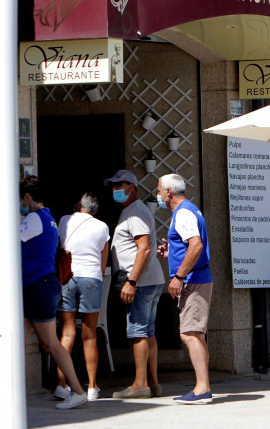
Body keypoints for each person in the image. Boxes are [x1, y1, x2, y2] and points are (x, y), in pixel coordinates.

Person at [19, 176, 87, 409]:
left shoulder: (34, 219)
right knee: (15, 341)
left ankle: (77, 391)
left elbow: (6, 241)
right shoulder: (47, 219)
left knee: (51, 343)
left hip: (38, 286)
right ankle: (4, 392)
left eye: (21, 198)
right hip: (39, 285)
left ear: (28, 197)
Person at [105, 169, 166, 400]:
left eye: (119, 185)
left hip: (141, 282)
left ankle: (140, 384)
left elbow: (144, 248)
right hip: (149, 280)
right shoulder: (132, 211)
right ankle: (153, 383)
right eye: (113, 186)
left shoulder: (136, 213)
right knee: (148, 332)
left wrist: (131, 281)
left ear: (132, 187)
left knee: (139, 332)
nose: (115, 190)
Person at [156, 173, 214, 404]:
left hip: (193, 280)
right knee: (196, 334)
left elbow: (196, 245)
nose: (158, 195)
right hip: (196, 277)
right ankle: (203, 387)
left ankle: (202, 389)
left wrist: (178, 276)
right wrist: (173, 254)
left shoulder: (183, 213)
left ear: (169, 191)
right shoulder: (188, 211)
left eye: (159, 190)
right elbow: (190, 246)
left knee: (189, 333)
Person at [55, 193, 110, 401]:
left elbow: (59, 246)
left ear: (78, 205)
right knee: (90, 334)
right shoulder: (102, 227)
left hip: (68, 277)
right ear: (95, 210)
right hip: (92, 279)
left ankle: (61, 385)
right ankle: (93, 387)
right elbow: (103, 261)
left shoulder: (64, 220)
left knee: (67, 333)